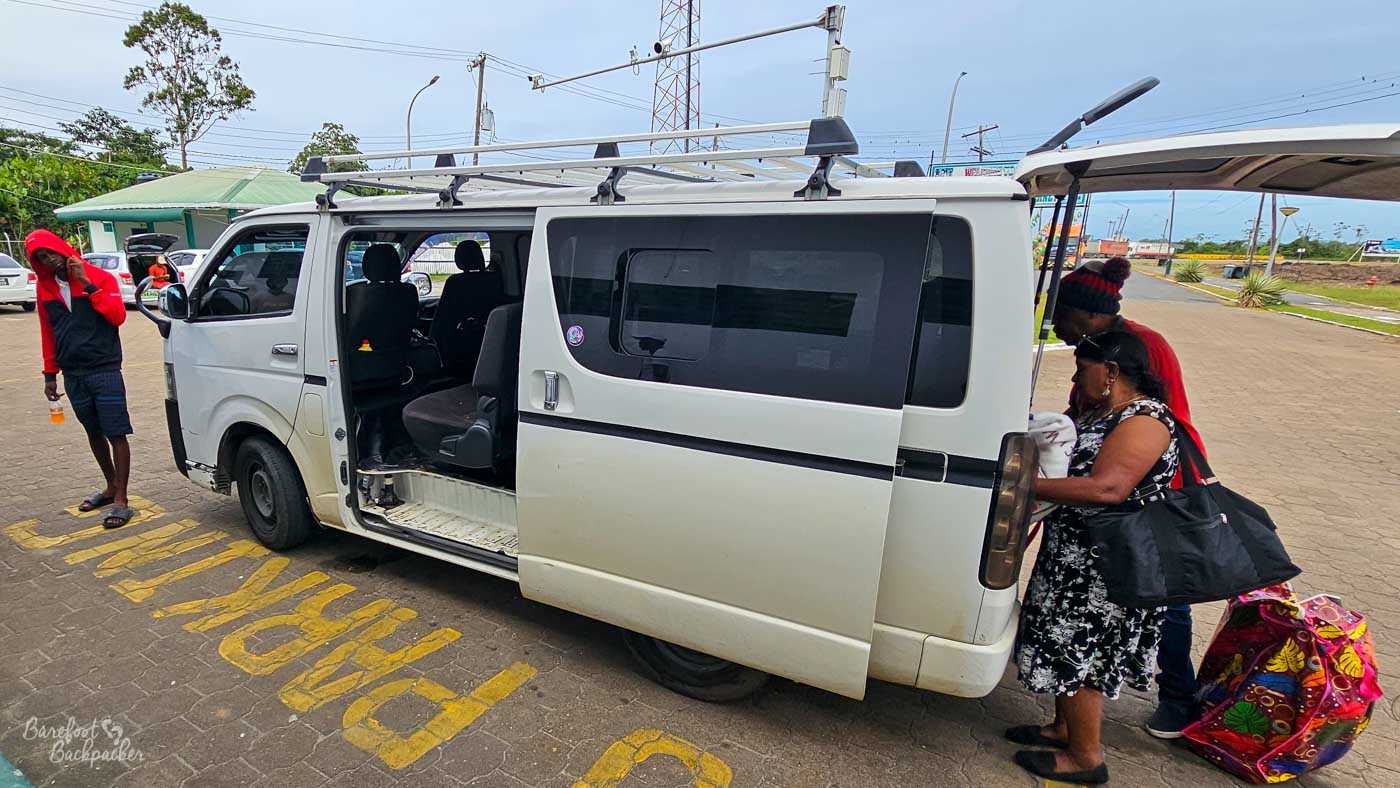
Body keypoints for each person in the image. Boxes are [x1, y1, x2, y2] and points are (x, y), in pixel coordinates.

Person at [1008, 329, 1180, 785]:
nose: (1077, 376)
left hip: (1103, 571)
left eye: (1083, 368)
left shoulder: (1146, 419)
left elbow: (1109, 487)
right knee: (1065, 644)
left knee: (1083, 654)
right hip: (1076, 558)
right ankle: (1063, 729)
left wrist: (1024, 485)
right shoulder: (1109, 412)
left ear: (1112, 371)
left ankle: (1086, 758)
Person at [1050, 256, 1201, 739]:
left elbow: (1146, 431)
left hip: (1156, 496)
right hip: (1110, 499)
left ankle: (1180, 699)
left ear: (1089, 314)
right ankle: (1067, 719)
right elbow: (1087, 413)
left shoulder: (1141, 347)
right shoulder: (1100, 349)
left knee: (1164, 597)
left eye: (1063, 317)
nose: (1057, 327)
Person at [26, 229, 137, 529]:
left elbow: (117, 316)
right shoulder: (45, 288)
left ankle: (122, 500)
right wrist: (50, 374)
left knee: (116, 432)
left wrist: (87, 285)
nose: (49, 260)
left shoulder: (100, 278)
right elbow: (47, 332)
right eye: (41, 258)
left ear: (63, 249)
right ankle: (110, 485)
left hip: (104, 368)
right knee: (93, 431)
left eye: (51, 252)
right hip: (74, 373)